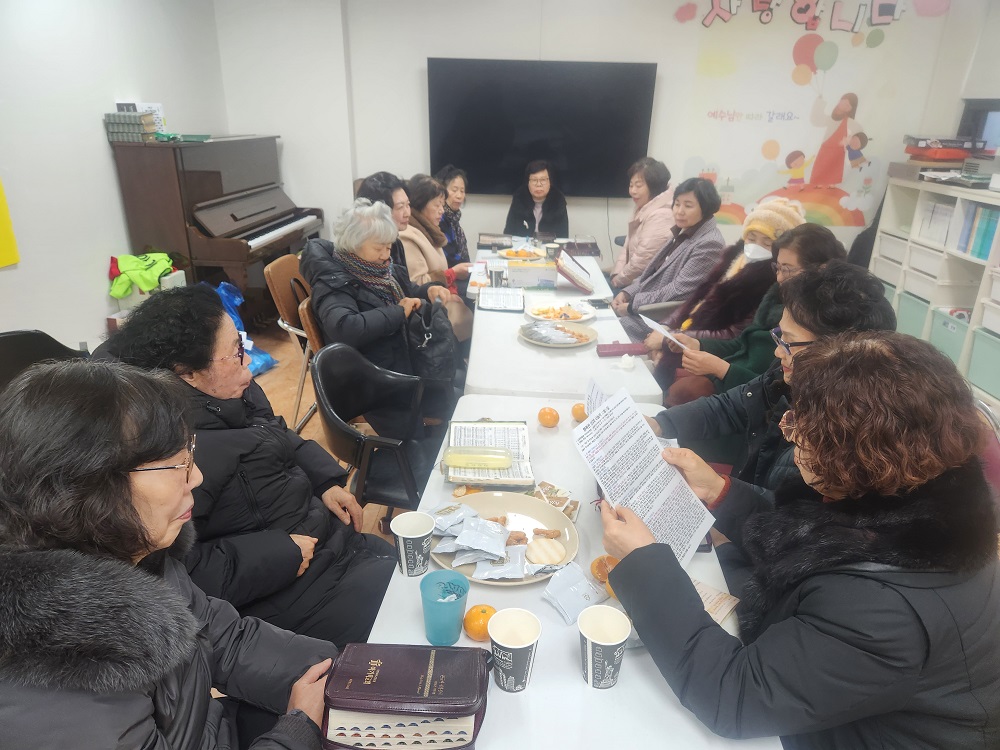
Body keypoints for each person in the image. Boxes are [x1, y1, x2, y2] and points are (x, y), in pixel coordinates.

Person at [602, 331, 1000, 748]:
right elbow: (813, 534)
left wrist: (644, 564)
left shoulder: (887, 611)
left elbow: (735, 696)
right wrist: (720, 492)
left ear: (860, 454)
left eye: (804, 428)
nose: (791, 437)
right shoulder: (906, 490)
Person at [0, 360, 338, 749]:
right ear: (87, 486)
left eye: (188, 453)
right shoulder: (55, 689)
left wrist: (341, 674)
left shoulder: (128, 551)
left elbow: (221, 637)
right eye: (175, 464)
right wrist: (297, 733)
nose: (196, 477)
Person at [100, 284, 396, 649]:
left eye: (242, 346)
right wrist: (277, 554)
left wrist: (325, 481)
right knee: (416, 606)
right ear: (187, 372)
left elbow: (274, 431)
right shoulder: (167, 457)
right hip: (288, 592)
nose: (249, 365)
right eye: (236, 353)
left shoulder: (230, 392)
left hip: (328, 546)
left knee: (418, 572)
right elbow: (175, 575)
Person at [648, 262, 897, 587]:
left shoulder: (851, 436)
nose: (778, 352)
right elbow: (733, 405)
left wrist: (722, 501)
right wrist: (660, 423)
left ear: (837, 352)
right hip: (750, 523)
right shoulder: (789, 376)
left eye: (789, 342)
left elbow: (800, 534)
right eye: (779, 336)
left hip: (771, 560)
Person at [657, 223, 846, 406]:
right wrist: (697, 344)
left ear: (820, 269)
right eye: (778, 268)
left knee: (683, 393)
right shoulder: (776, 297)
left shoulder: (818, 320)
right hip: (735, 383)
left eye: (787, 269)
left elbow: (779, 391)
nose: (779, 277)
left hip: (751, 399)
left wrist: (723, 370)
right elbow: (741, 343)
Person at [645, 197, 805, 346]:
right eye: (751, 238)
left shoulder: (773, 282)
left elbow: (734, 334)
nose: (756, 246)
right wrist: (666, 326)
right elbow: (696, 298)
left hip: (706, 348)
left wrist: (671, 338)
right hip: (687, 333)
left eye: (767, 243)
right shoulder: (732, 259)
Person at [612, 177, 725, 342]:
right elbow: (653, 274)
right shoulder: (683, 230)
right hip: (646, 307)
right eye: (677, 204)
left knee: (606, 331)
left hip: (663, 319)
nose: (679, 211)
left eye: (688, 206)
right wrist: (627, 292)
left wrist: (632, 305)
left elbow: (678, 290)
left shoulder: (710, 243)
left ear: (706, 208)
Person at [399, 175, 473, 341]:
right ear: (421, 204)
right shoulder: (408, 236)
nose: (442, 210)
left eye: (442, 204)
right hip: (430, 311)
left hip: (442, 299)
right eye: (437, 205)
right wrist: (451, 279)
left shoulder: (430, 231)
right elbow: (418, 284)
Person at [609, 157, 675, 289]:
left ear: (655, 186)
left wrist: (618, 281)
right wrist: (616, 273)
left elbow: (643, 259)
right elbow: (627, 245)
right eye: (631, 185)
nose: (632, 191)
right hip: (631, 279)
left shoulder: (662, 215)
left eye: (638, 186)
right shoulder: (644, 206)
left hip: (645, 286)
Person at [434, 164, 475, 309]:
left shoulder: (453, 219)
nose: (459, 195)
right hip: (448, 281)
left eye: (462, 191)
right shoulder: (440, 220)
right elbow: (450, 260)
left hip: (458, 275)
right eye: (454, 190)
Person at [355, 171, 411, 268]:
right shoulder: (362, 249)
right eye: (400, 207)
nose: (407, 214)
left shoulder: (396, 244)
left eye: (408, 205)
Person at [503, 159, 569, 237]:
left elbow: (563, 237)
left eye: (543, 180)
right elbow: (508, 234)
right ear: (528, 182)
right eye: (534, 180)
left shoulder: (558, 201)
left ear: (550, 182)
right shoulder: (519, 199)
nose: (538, 184)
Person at [809, 92, 861, 187]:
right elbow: (816, 120)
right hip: (824, 151)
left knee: (832, 181)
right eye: (843, 101)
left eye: (847, 105)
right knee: (818, 180)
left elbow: (859, 131)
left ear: (850, 109)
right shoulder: (831, 119)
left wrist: (850, 139)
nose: (843, 105)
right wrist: (819, 103)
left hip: (837, 154)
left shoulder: (849, 122)